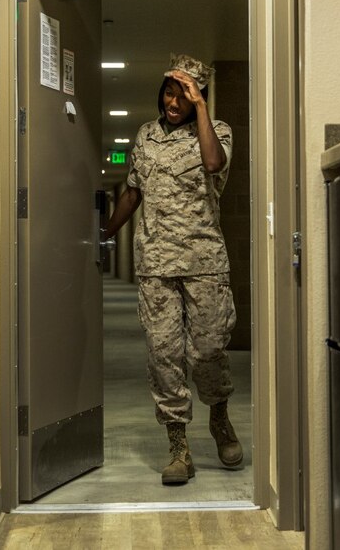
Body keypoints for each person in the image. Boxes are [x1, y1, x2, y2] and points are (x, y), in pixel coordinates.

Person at [101, 54, 243, 485]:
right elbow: (132, 192)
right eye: (169, 93)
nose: (173, 102)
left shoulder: (218, 132)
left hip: (204, 262)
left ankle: (219, 417)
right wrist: (103, 233)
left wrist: (201, 108)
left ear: (200, 98)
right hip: (156, 264)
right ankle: (178, 446)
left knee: (208, 349)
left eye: (184, 95)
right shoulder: (146, 135)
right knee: (164, 355)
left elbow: (214, 164)